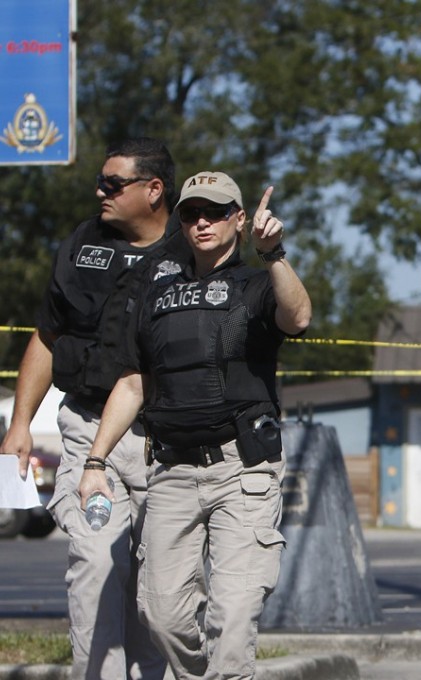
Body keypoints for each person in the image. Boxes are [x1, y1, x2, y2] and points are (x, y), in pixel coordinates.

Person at [77, 171, 312, 679]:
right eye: (190, 213)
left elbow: (298, 317)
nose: (202, 221)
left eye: (215, 211)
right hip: (172, 472)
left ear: (239, 218)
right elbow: (134, 382)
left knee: (232, 619)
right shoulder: (156, 294)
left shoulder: (258, 282)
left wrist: (275, 255)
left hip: (242, 468)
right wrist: (94, 460)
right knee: (160, 615)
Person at [0, 138, 176, 679]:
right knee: (96, 564)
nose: (100, 190)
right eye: (100, 181)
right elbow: (49, 336)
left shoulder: (191, 249)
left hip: (165, 442)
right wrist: (20, 425)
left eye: (113, 183)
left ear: (153, 190)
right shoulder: (82, 243)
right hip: (88, 429)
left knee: (159, 587)